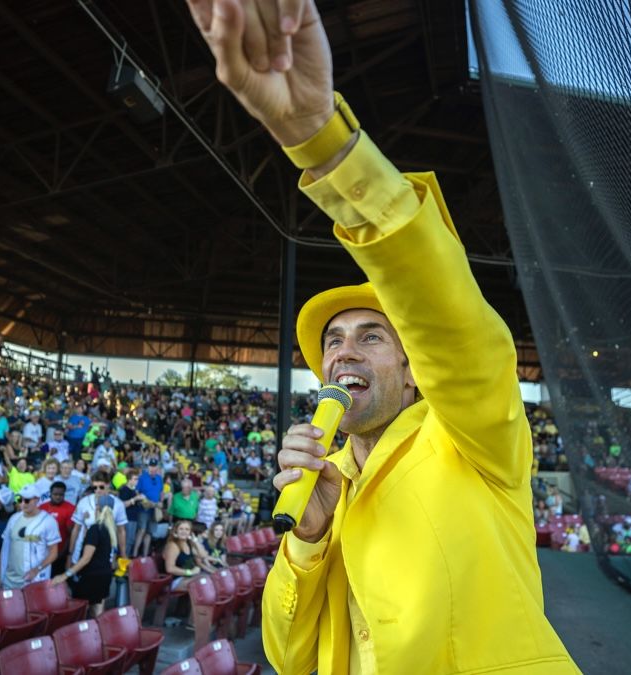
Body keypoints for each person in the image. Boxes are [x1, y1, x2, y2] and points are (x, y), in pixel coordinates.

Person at [182, 1, 577, 671]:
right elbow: (287, 653)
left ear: (415, 365)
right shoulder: (322, 485)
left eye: (372, 336)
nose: (343, 349)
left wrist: (323, 143)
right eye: (334, 340)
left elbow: (452, 323)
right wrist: (307, 540)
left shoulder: (474, 439)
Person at [52, 492, 117, 618]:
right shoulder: (110, 529)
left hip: (91, 576)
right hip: (105, 574)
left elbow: (86, 558)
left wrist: (65, 575)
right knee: (98, 611)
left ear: (97, 507)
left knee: (81, 612)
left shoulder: (95, 529)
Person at [0, 485, 61, 590]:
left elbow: (53, 553)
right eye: (19, 499)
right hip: (9, 580)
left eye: (26, 500)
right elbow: (4, 548)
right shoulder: (14, 518)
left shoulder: (49, 521)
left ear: (37, 500)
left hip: (33, 581)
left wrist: (37, 569)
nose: (22, 503)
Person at [70, 471, 127, 564]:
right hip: (82, 551)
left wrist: (123, 554)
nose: (97, 490)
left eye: (101, 487)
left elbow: (121, 531)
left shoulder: (118, 504)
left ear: (108, 485)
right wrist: (70, 554)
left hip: (107, 553)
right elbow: (76, 529)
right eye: (94, 487)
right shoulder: (83, 502)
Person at [39, 481, 76, 578]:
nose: (58, 497)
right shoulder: (42, 508)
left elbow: (71, 534)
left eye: (61, 495)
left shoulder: (70, 508)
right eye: (55, 494)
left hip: (60, 553)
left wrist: (64, 552)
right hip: (42, 553)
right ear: (50, 494)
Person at [161, 519, 200, 591]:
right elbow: (169, 569)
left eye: (187, 529)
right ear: (175, 531)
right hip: (174, 581)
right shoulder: (173, 546)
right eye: (181, 529)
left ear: (190, 533)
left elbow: (202, 556)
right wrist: (190, 572)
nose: (184, 531)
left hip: (186, 577)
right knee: (201, 584)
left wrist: (195, 542)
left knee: (210, 579)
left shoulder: (189, 543)